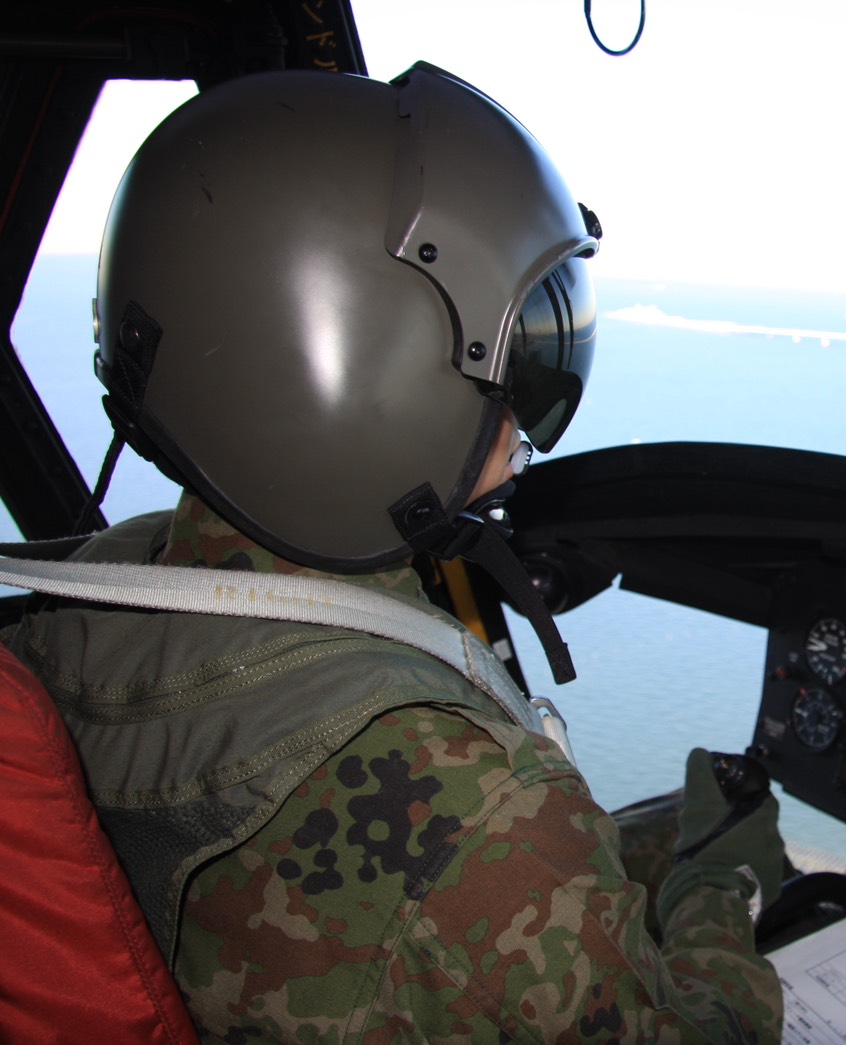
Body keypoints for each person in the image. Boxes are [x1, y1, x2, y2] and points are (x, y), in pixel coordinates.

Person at [2, 62, 786, 1042]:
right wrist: (722, 877)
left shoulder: (70, 609)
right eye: (529, 354)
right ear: (370, 360)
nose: (529, 406)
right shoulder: (480, 811)